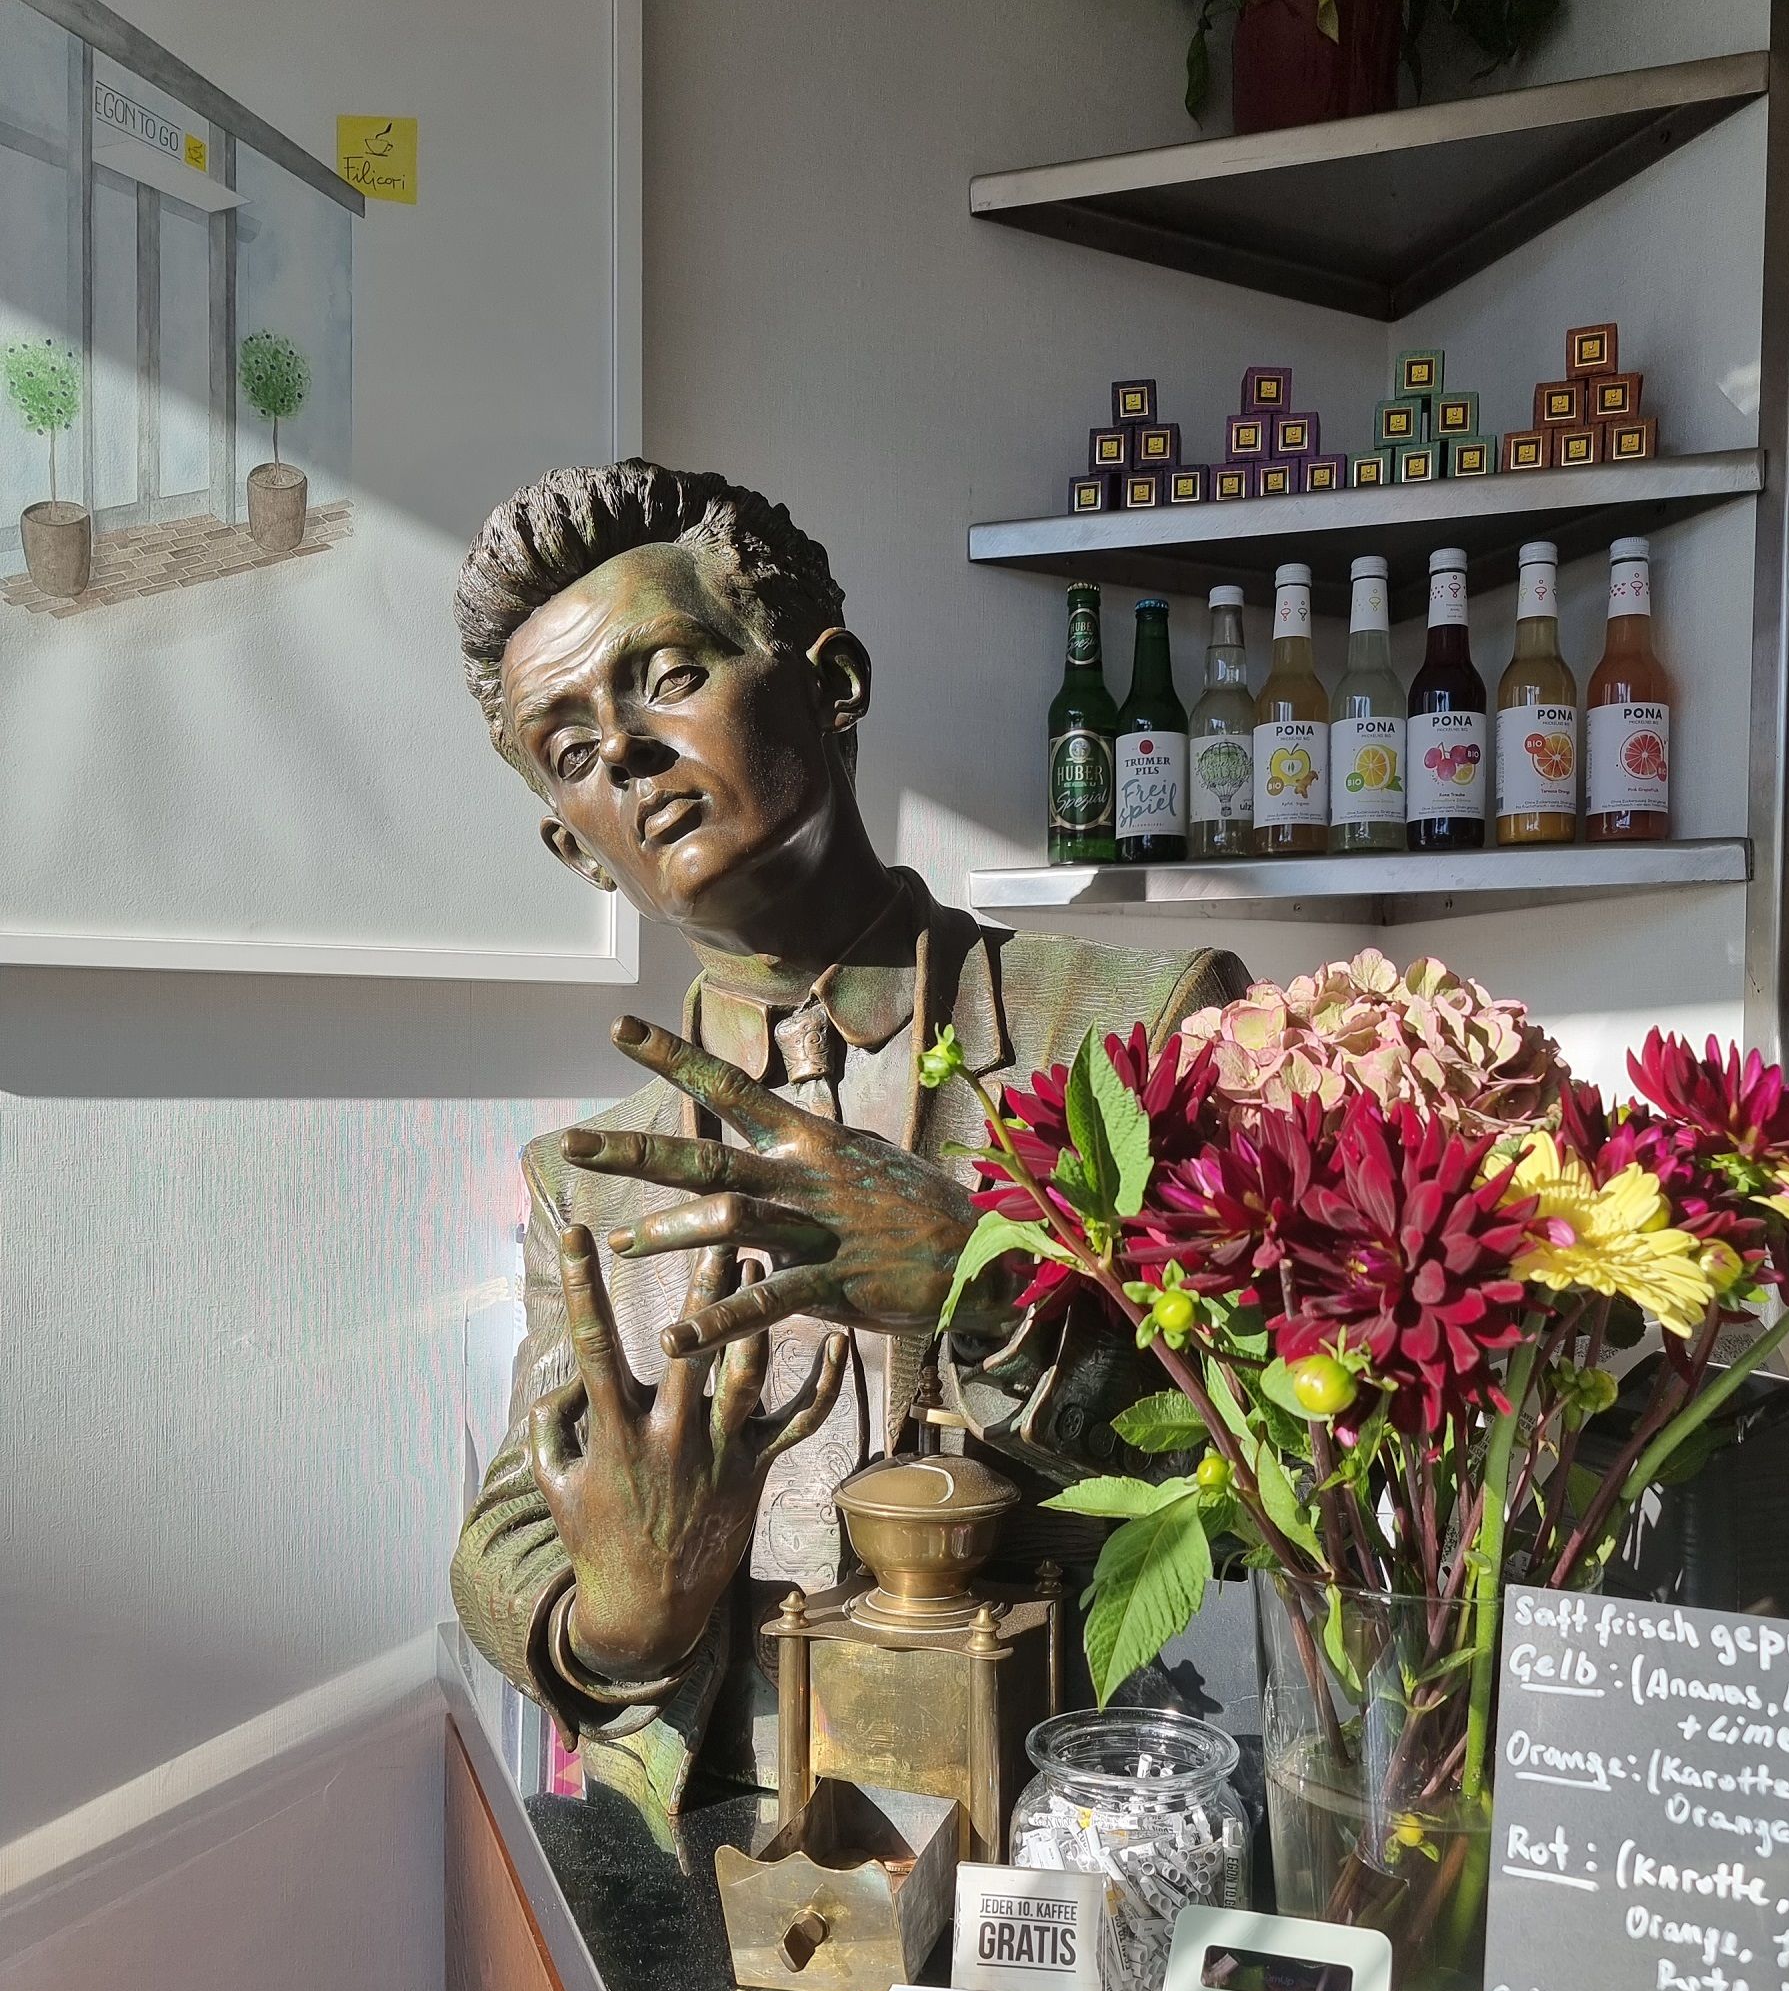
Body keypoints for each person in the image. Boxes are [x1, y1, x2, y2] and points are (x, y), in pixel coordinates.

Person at [451, 461, 1246, 1809]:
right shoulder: (586, 1180)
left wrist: (990, 1289)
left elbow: (1286, 1467)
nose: (630, 756)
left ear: (833, 682)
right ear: (576, 848)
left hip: (1091, 1826)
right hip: (740, 1850)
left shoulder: (1137, 1025)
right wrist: (609, 1622)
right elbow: (512, 1529)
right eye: (574, 752)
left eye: (664, 675)